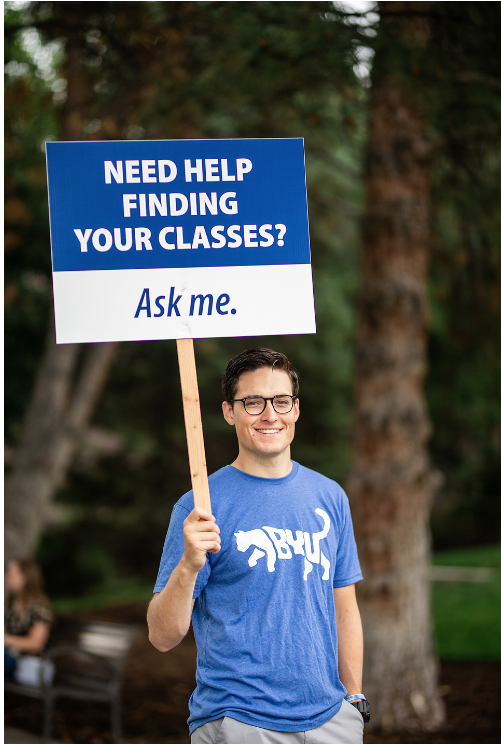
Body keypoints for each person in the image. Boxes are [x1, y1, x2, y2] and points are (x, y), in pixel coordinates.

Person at [148, 348, 368, 743]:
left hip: (332, 721)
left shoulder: (329, 497)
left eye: (281, 401)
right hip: (240, 722)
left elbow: (344, 609)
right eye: (253, 402)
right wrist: (188, 566)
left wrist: (353, 699)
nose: (270, 415)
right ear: (229, 412)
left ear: (296, 409)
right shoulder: (200, 505)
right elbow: (162, 636)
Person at [4, 558, 53, 679]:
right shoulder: (11, 604)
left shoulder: (39, 606)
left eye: (11, 572)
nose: (6, 576)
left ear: (24, 578)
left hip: (27, 663)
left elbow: (36, 644)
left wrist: (4, 639)